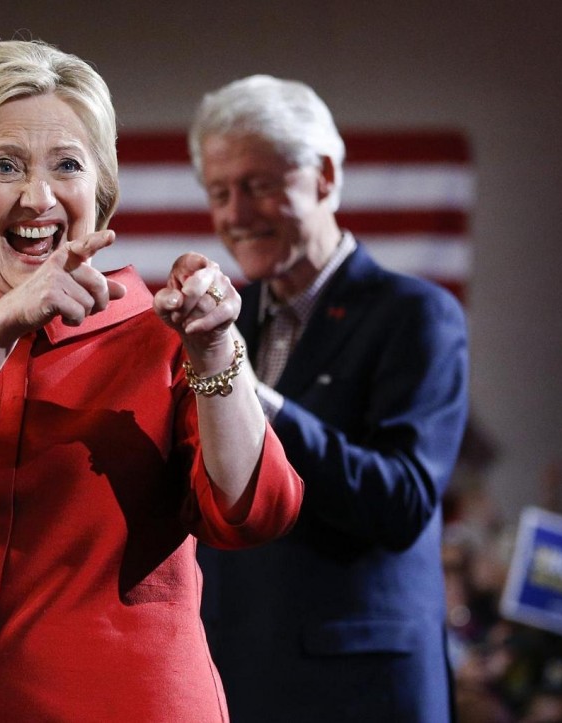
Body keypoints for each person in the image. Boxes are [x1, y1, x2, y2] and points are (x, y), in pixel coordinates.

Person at [0, 40, 303, 721]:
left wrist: (215, 347)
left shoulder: (165, 342)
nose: (38, 195)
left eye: (67, 165)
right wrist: (6, 321)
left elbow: (255, 509)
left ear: (100, 195)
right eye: (3, 165)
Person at [190, 75, 469, 722]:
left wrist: (252, 398)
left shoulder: (417, 316)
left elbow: (401, 500)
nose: (235, 214)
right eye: (219, 193)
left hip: (360, 690)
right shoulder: (220, 321)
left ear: (322, 176)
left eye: (258, 185)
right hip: (231, 677)